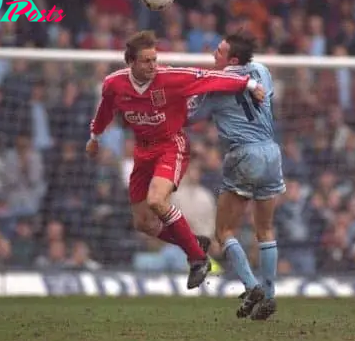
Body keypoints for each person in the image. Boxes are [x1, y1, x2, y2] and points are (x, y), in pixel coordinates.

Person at [86, 30, 265, 289]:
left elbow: (208, 78)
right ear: (131, 63)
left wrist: (248, 84)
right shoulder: (114, 84)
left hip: (172, 145)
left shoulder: (169, 78)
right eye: (146, 61)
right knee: (143, 223)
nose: (153, 65)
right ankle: (193, 243)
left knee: (157, 200)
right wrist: (94, 136)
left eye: (154, 59)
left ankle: (197, 259)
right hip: (142, 151)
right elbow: (104, 109)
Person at [188, 31, 284, 319]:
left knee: (223, 231)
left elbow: (190, 117)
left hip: (243, 154)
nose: (213, 55)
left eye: (218, 52)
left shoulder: (215, 86)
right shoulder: (263, 71)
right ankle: (269, 296)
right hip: (271, 153)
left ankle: (252, 286)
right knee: (264, 230)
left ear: (232, 60)